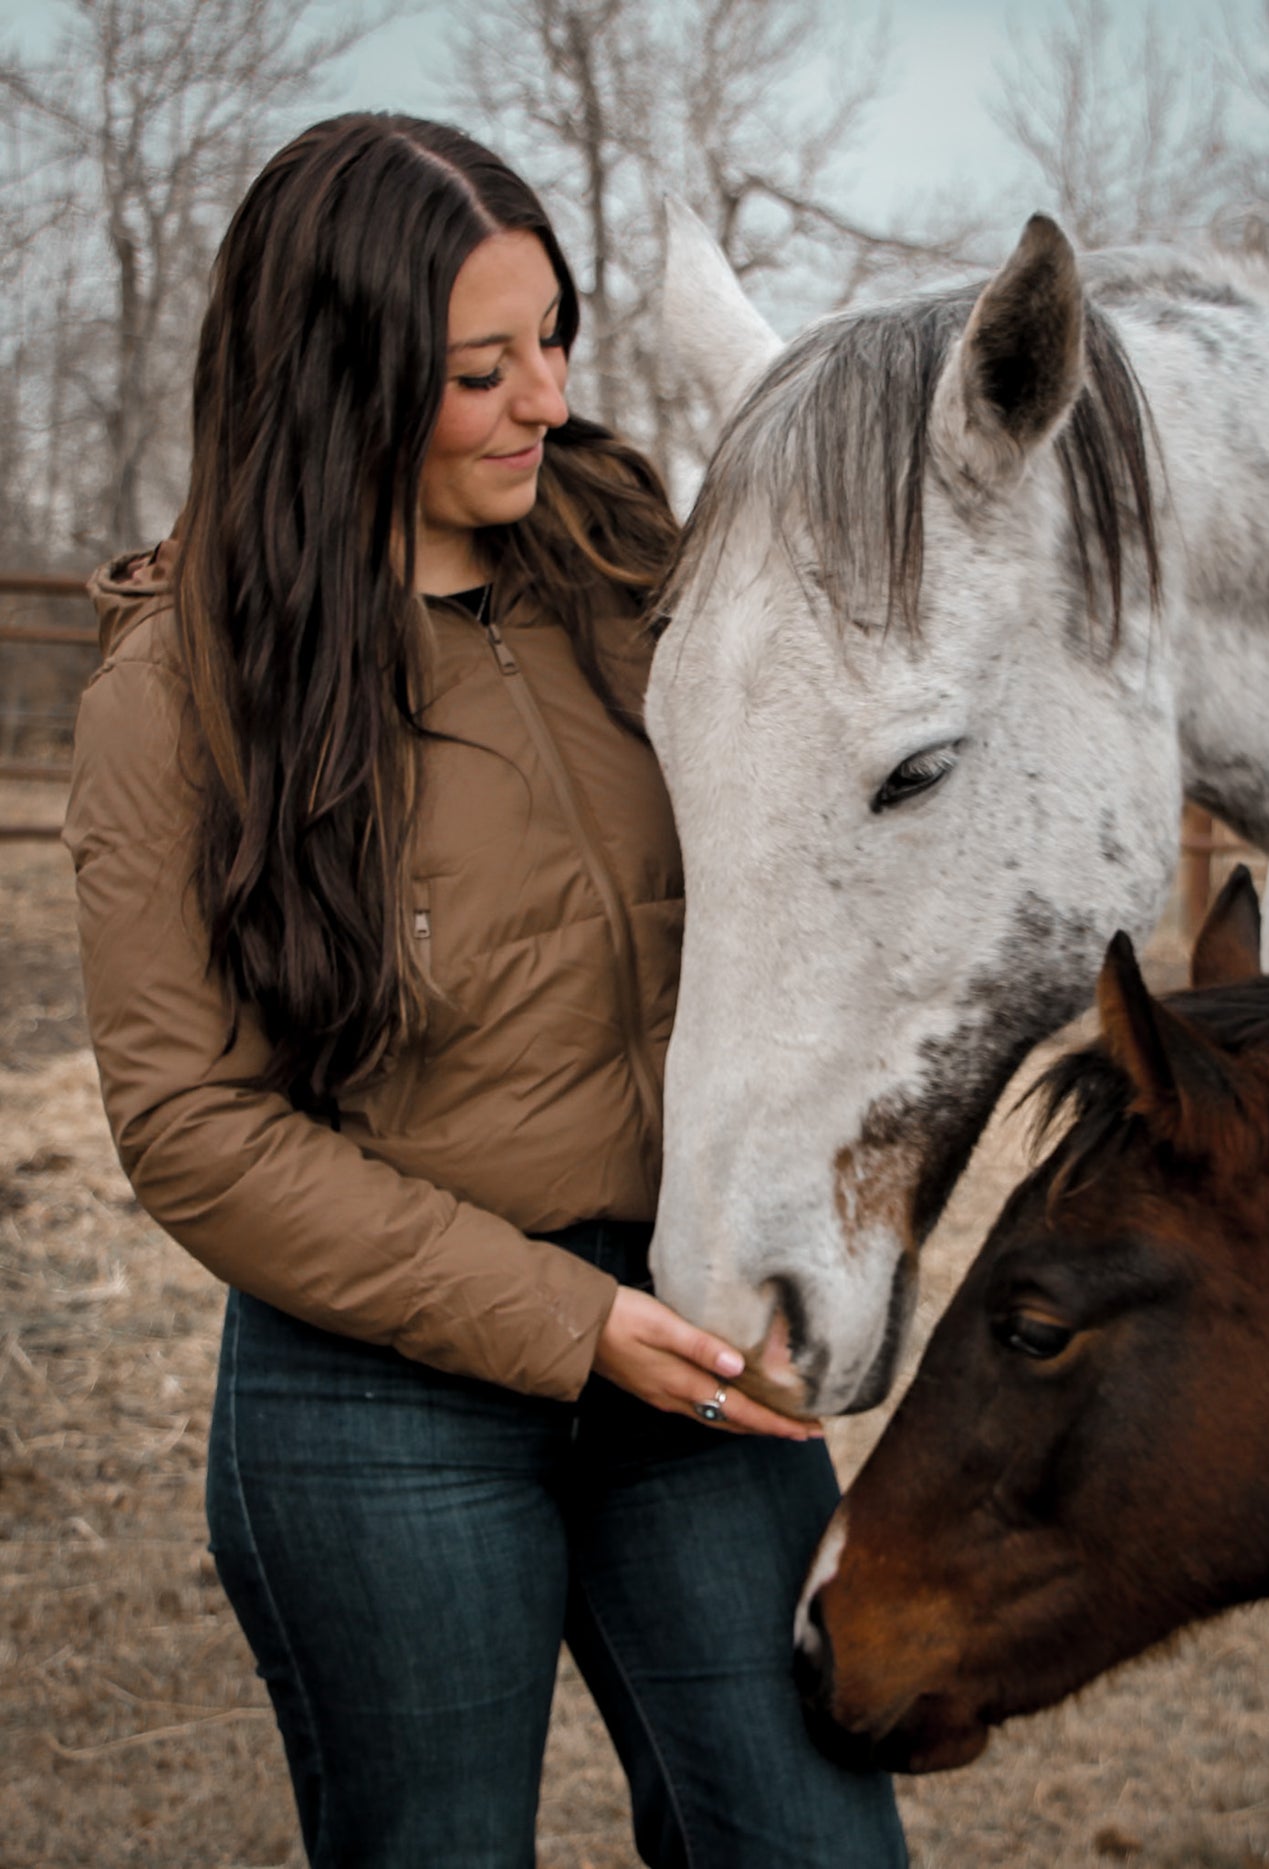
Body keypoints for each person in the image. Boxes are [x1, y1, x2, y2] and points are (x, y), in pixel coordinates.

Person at [63, 114, 907, 1868]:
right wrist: (557, 1321)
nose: (544, 397)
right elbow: (193, 1128)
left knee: (813, 1846)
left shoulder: (627, 557)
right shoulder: (181, 699)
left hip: (686, 1336)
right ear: (339, 381)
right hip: (380, 1398)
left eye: (555, 336)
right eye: (478, 371)